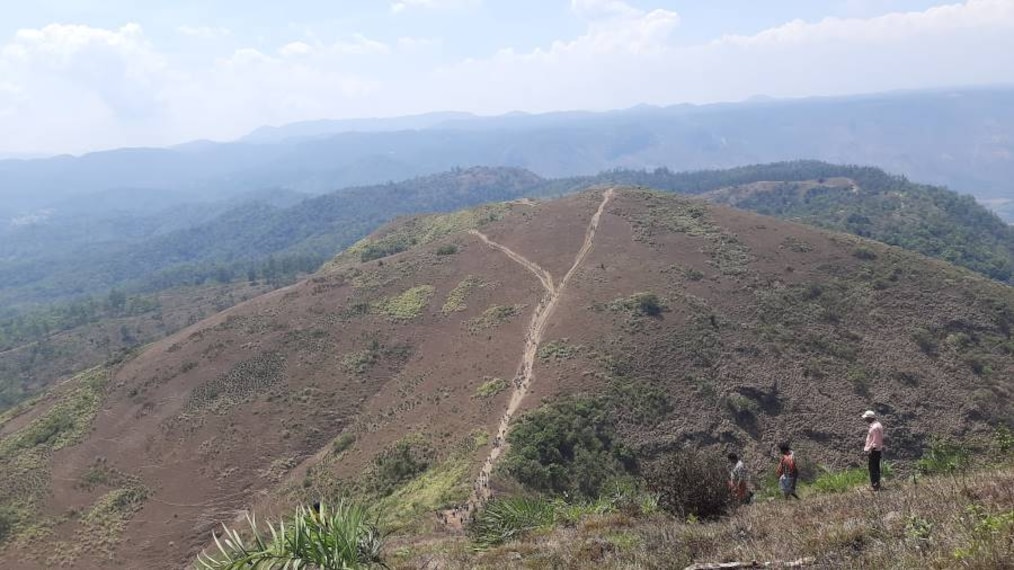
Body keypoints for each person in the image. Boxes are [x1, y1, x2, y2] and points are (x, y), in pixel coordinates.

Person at [862, 410, 884, 491]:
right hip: (876, 450)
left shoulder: (875, 428)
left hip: (874, 451)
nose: (865, 420)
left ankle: (875, 485)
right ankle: (876, 484)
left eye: (866, 418)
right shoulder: (877, 425)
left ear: (870, 418)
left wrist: (870, 450)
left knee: (873, 468)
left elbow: (875, 442)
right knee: (875, 467)